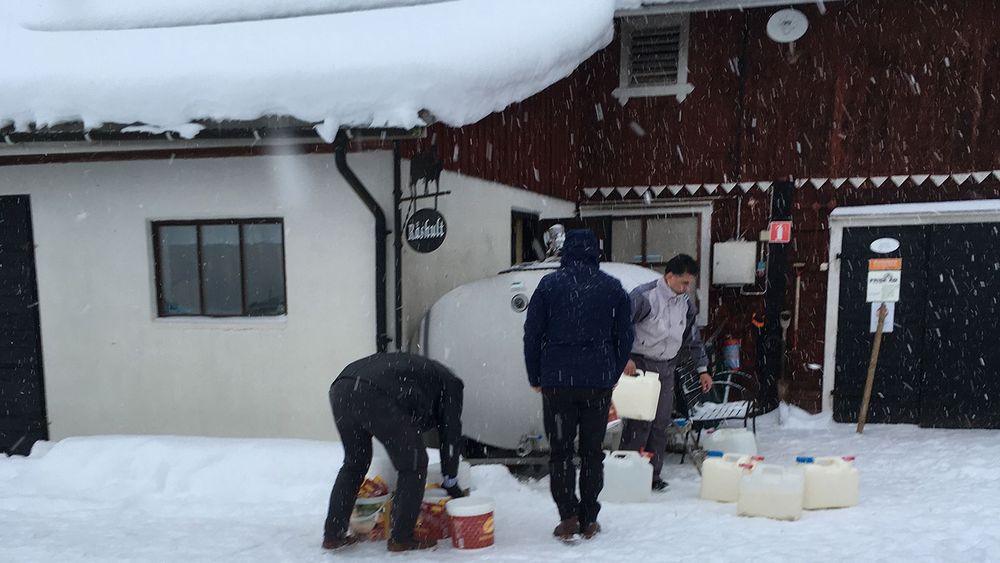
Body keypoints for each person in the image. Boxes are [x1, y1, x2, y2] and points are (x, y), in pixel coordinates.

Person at [523, 229, 634, 541]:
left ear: (566, 252)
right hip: (598, 383)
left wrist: (536, 376)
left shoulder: (549, 285)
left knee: (560, 452)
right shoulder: (612, 288)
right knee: (592, 452)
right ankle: (589, 518)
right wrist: (611, 371)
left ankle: (568, 515)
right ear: (595, 253)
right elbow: (626, 337)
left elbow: (532, 334)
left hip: (557, 383)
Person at [322, 352, 466, 552]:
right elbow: (451, 434)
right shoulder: (451, 385)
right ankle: (402, 538)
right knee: (414, 462)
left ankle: (333, 535)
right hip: (372, 391)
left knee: (355, 463)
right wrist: (450, 480)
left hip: (341, 388)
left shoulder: (419, 373)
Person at [620, 253, 713, 491]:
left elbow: (692, 338)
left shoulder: (685, 303)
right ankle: (630, 473)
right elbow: (619, 327)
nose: (686, 288)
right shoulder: (644, 297)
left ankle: (652, 474)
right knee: (640, 422)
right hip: (640, 364)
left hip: (667, 366)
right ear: (669, 276)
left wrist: (703, 369)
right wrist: (624, 358)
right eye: (683, 282)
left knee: (660, 422)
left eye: (689, 284)